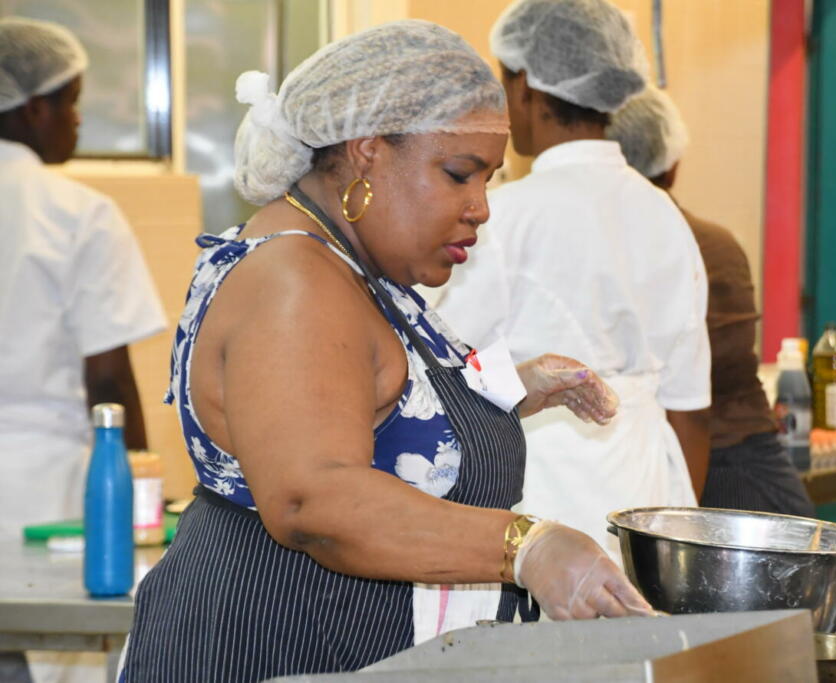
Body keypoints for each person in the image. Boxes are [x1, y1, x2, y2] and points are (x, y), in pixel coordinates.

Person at [121, 20, 653, 682]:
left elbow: (368, 405)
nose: (481, 208)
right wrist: (525, 546)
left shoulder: (348, 263)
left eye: (488, 180)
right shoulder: (295, 281)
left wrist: (507, 388)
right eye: (458, 174)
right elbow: (314, 499)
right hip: (270, 640)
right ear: (367, 151)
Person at [436, 0, 712, 563]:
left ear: (524, 86)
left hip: (542, 494)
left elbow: (447, 368)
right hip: (649, 502)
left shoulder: (504, 216)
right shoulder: (664, 213)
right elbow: (691, 405)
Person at [0, 16, 166, 683]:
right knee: (54, 652)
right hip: (49, 489)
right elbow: (109, 381)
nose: (78, 121)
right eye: (71, 103)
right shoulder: (76, 211)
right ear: (33, 109)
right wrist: (144, 491)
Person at [606, 85, 814, 516]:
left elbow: (686, 397)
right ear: (672, 165)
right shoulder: (716, 243)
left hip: (698, 466)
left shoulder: (616, 245)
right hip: (746, 467)